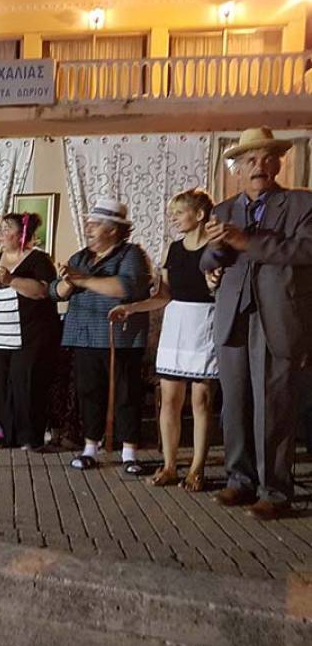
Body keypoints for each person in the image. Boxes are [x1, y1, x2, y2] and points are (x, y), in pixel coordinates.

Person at [199, 126, 312, 520]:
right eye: (250, 160)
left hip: (277, 316)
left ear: (278, 164)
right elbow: (206, 261)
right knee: (234, 403)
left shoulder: (301, 204)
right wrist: (215, 253)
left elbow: (306, 250)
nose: (258, 166)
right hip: (233, 315)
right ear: (238, 169)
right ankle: (239, 480)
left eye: (266, 158)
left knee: (274, 405)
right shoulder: (223, 210)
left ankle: (274, 491)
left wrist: (247, 243)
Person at [110, 189, 217, 491]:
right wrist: (131, 307)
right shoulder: (173, 249)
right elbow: (163, 295)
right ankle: (169, 465)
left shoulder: (217, 248)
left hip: (206, 323)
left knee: (201, 401)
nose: (173, 219)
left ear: (199, 215)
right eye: (172, 214)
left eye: (179, 213)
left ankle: (197, 468)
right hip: (176, 324)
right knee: (169, 399)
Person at [50, 199, 152, 474]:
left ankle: (129, 452)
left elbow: (126, 287)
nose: (88, 229)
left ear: (113, 229)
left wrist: (82, 280)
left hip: (119, 338)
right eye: (88, 224)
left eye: (94, 224)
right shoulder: (81, 257)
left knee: (125, 394)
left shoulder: (130, 254)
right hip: (84, 336)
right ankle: (90, 449)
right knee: (89, 393)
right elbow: (55, 292)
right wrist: (67, 282)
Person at [0, 212, 60, 449]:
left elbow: (42, 291)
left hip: (29, 337)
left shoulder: (38, 260)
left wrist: (11, 280)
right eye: (0, 228)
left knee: (25, 384)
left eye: (7, 228)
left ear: (22, 234)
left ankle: (29, 435)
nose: (0, 232)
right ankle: (2, 429)